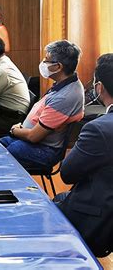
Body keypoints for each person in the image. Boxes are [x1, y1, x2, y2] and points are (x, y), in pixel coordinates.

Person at [55, 54, 113, 257]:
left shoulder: (99, 129)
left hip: (100, 218)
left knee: (49, 210)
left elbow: (67, 174)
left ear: (100, 87)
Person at [0, 40, 84, 169]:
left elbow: (34, 136)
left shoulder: (65, 96)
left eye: (46, 60)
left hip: (45, 149)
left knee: (8, 152)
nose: (43, 63)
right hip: (31, 139)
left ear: (58, 67)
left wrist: (14, 130)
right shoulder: (65, 83)